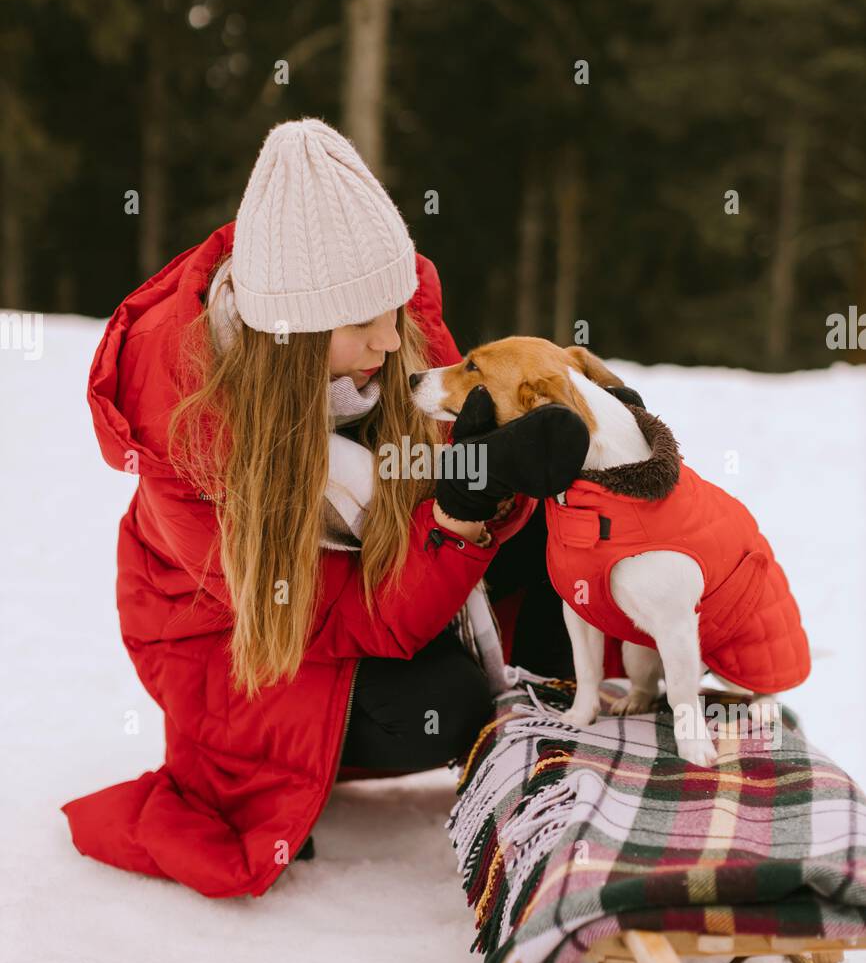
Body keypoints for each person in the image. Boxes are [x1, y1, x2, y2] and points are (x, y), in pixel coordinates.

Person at [61, 118, 568, 901]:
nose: (394, 342)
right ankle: (502, 734)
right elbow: (345, 619)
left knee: (552, 523)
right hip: (240, 645)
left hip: (365, 575)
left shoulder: (381, 314)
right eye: (362, 326)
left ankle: (572, 726)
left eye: (394, 313)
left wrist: (497, 474)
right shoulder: (189, 426)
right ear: (289, 337)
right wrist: (460, 519)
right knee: (445, 704)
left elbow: (435, 460)